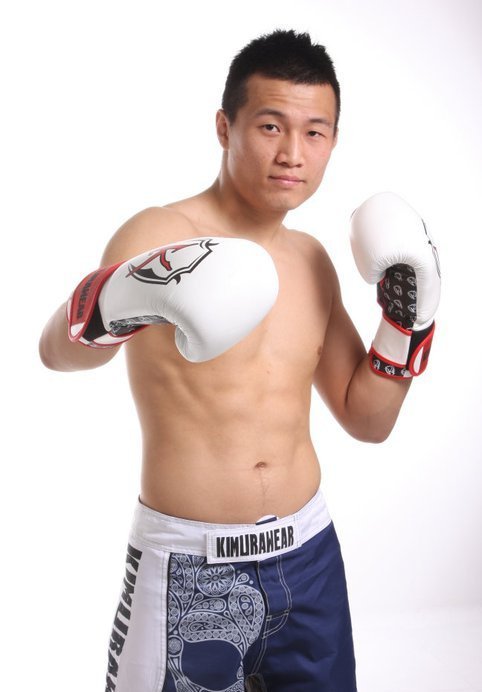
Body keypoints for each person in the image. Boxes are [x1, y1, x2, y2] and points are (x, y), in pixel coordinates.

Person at [39, 29, 440, 692]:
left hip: (309, 556)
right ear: (225, 127)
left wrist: (406, 327)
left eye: (315, 132)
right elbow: (56, 353)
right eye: (271, 126)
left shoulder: (311, 260)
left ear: (333, 141)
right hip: (188, 567)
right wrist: (119, 295)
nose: (292, 153)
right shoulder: (158, 234)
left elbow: (367, 420)